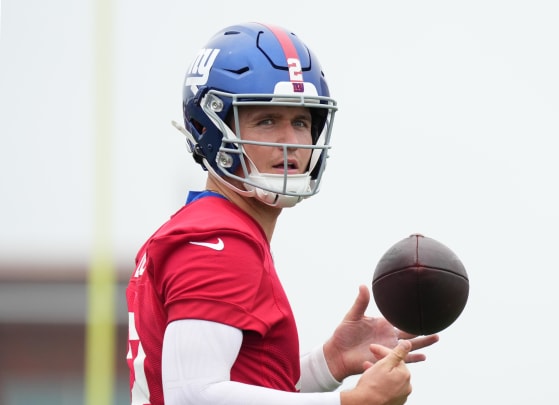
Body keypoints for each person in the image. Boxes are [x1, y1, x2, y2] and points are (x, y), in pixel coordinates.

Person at [125, 22, 439, 405]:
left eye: (302, 122)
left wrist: (329, 364)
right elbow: (194, 396)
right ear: (211, 128)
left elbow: (238, 387)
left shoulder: (210, 229)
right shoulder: (218, 241)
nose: (291, 143)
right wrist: (351, 402)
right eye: (267, 120)